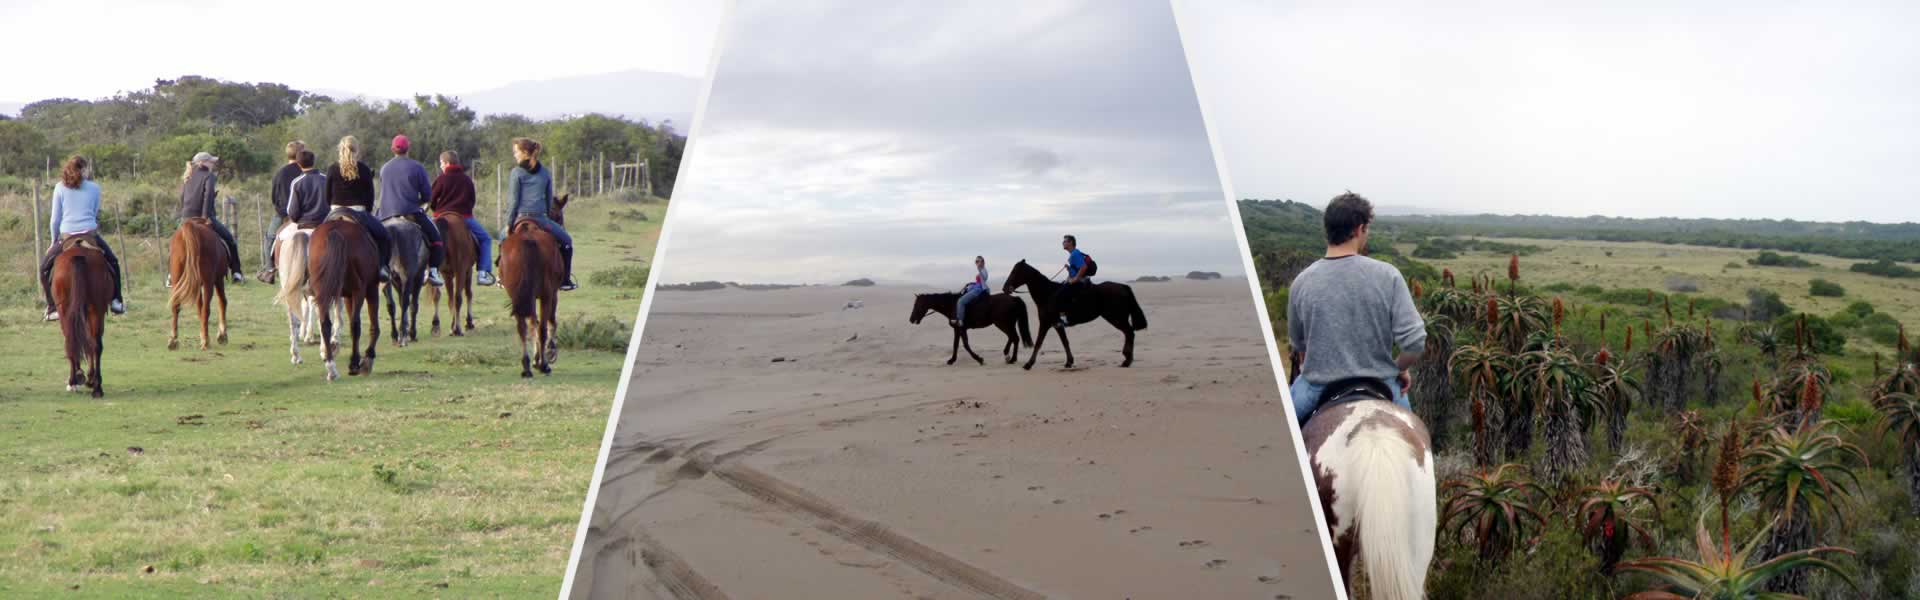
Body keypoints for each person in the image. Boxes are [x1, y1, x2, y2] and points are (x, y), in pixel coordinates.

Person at [1285, 192, 1425, 425]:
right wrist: (1397, 369)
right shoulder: (1388, 275)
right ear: (1360, 229)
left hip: (1318, 386)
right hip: (1381, 381)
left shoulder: (1301, 282)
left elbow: (1300, 349)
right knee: (1418, 440)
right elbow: (1416, 342)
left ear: (1327, 229)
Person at [41, 155, 126, 320]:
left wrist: (53, 241)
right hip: (90, 234)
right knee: (114, 262)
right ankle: (116, 301)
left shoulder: (59, 187)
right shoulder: (95, 188)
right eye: (87, 169)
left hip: (66, 236)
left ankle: (52, 307)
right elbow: (94, 213)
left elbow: (55, 220)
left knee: (44, 269)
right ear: (83, 169)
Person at [505, 137, 576, 290]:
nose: (514, 155)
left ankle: (502, 275)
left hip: (520, 217)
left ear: (525, 153)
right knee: (567, 242)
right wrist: (544, 215)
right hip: (540, 218)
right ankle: (565, 280)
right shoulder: (545, 172)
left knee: (501, 239)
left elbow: (513, 201)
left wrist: (508, 223)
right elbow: (549, 200)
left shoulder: (516, 172)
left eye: (516, 152)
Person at [377, 135, 445, 286]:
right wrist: (420, 202)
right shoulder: (417, 167)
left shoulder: (384, 168)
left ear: (392, 149)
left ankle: (379, 267)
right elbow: (428, 195)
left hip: (385, 213)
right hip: (410, 212)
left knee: (372, 237)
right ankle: (433, 271)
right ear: (409, 148)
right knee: (436, 239)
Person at [326, 136, 395, 280]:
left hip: (335, 212)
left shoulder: (332, 168)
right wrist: (368, 211)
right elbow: (370, 195)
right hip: (358, 212)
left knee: (315, 237)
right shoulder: (363, 169)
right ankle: (382, 267)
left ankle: (312, 275)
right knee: (385, 237)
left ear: (340, 149)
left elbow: (327, 195)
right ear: (357, 150)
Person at [429, 150, 496, 286]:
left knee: (427, 237)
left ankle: (430, 270)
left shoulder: (441, 179)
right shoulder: (467, 180)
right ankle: (483, 273)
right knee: (486, 239)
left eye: (441, 163)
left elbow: (431, 199)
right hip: (464, 217)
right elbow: (472, 200)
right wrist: (465, 210)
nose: (441, 166)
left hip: (440, 217)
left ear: (447, 163)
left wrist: (436, 210)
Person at [178, 151, 245, 283]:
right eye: (210, 161)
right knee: (230, 240)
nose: (213, 163)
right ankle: (236, 272)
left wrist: (184, 216)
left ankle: (171, 276)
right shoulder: (209, 176)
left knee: (176, 245)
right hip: (204, 216)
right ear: (202, 162)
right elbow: (208, 197)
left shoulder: (187, 177)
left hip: (186, 217)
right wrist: (205, 217)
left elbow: (182, 198)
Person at [259, 140, 306, 283]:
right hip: (306, 214)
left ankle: (269, 270)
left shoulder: (280, 173)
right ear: (299, 154)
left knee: (270, 238)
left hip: (284, 215)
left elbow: (274, 197)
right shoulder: (306, 171)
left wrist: (283, 214)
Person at [1051, 234, 1091, 328]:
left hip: (1080, 282)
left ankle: (1064, 320)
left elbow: (1084, 267)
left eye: (1065, 241)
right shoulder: (1073, 254)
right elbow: (1077, 270)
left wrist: (1075, 280)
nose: (1063, 243)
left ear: (1071, 243)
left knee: (1058, 296)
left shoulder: (1075, 254)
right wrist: (1069, 270)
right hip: (1077, 280)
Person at [285, 150, 327, 228]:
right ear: (313, 162)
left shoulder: (297, 182)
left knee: (279, 237)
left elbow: (292, 212)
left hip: (305, 223)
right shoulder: (326, 179)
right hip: (326, 222)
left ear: (298, 164)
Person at [952, 256, 989, 327]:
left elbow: (984, 278)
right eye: (976, 261)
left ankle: (960, 320)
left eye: (980, 261)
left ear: (983, 262)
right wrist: (972, 283)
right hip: (975, 287)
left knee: (961, 301)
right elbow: (979, 281)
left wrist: (979, 269)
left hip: (978, 289)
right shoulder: (981, 270)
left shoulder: (983, 270)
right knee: (961, 295)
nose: (978, 263)